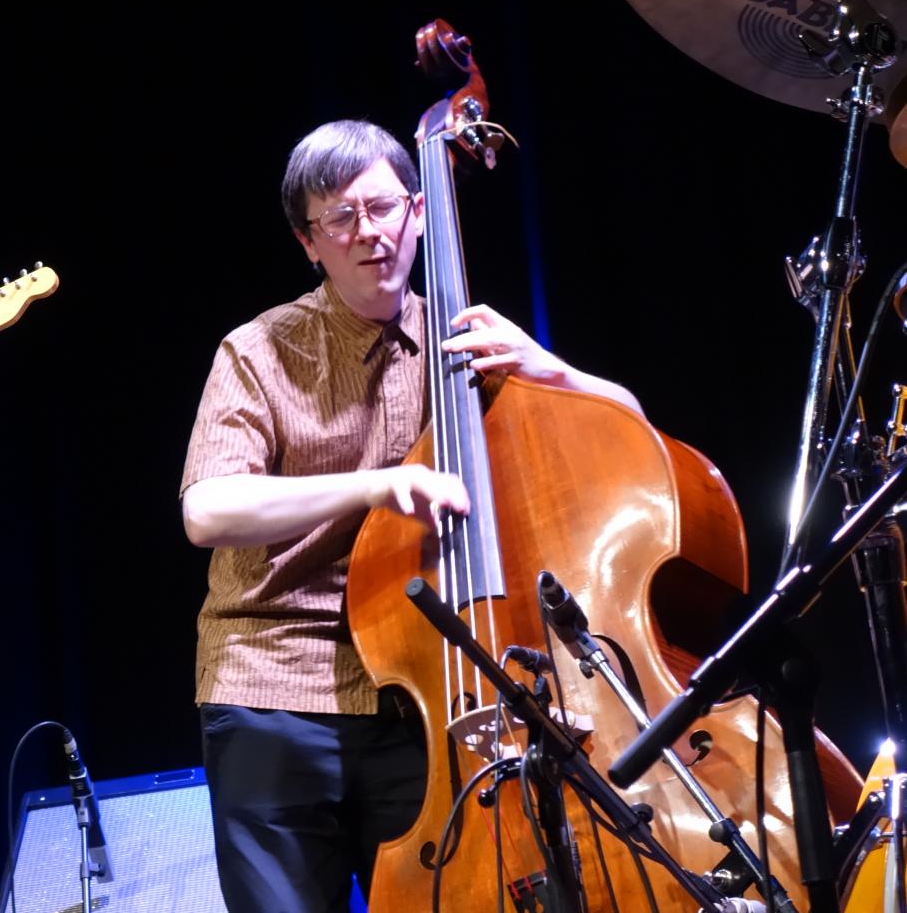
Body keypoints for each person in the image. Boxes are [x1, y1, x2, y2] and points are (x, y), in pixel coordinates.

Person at [179, 119, 642, 912]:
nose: (370, 234)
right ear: (309, 244)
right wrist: (377, 485)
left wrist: (548, 367)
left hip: (420, 693)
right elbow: (208, 509)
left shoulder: (464, 343)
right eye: (340, 220)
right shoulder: (257, 351)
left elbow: (627, 428)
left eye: (383, 208)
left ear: (420, 211)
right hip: (275, 683)